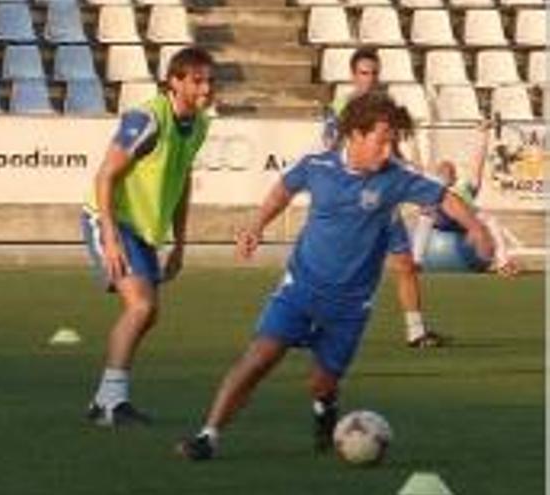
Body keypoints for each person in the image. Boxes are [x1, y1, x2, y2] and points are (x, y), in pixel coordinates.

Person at [177, 91, 494, 461]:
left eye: (392, 140)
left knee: (321, 382)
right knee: (258, 359)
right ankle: (208, 435)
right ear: (355, 136)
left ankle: (325, 407)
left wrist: (477, 228)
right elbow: (283, 189)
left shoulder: (396, 177)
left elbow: (445, 198)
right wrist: (256, 225)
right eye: (382, 139)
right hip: (299, 289)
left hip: (349, 306)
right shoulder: (318, 166)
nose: (388, 149)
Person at [81, 47, 215, 426]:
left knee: (148, 311)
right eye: (197, 80)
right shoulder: (147, 119)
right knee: (141, 307)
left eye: (209, 80)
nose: (206, 87)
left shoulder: (200, 124)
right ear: (175, 81)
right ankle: (111, 403)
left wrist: (180, 244)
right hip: (110, 220)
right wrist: (108, 236)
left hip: (144, 230)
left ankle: (105, 400)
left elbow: (182, 179)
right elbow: (105, 176)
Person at [325, 47, 443, 348]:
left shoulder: (385, 107)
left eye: (375, 73)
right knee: (338, 263)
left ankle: (416, 330)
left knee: (403, 261)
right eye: (364, 73)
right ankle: (310, 321)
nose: (370, 78)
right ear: (353, 75)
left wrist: (406, 166)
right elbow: (331, 150)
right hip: (351, 197)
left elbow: (392, 146)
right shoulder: (341, 108)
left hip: (382, 196)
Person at [411, 120, 519, 276]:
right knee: (425, 215)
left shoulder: (466, 187)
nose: (444, 173)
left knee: (492, 220)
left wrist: (484, 134)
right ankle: (416, 262)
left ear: (454, 176)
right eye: (441, 171)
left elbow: (478, 161)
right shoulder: (432, 188)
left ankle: (503, 263)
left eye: (448, 171)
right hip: (442, 221)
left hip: (467, 220)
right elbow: (415, 167)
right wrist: (413, 134)